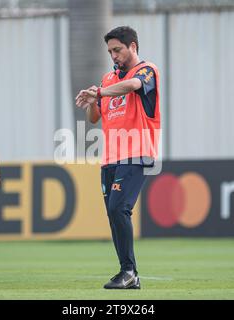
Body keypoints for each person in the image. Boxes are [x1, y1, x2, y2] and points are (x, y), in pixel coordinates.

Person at [75, 26, 161, 289]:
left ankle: (129, 271)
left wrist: (99, 92)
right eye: (110, 51)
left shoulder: (146, 70)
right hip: (111, 157)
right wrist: (92, 98)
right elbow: (94, 117)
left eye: (118, 50)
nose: (113, 55)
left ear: (133, 46)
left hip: (136, 152)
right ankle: (129, 274)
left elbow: (134, 86)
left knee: (118, 208)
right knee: (114, 214)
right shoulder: (108, 79)